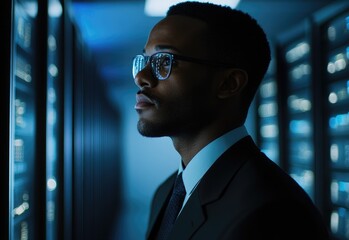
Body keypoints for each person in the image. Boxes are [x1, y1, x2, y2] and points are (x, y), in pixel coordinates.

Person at [132, 1, 330, 240]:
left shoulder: (273, 212)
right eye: (145, 60)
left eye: (165, 61)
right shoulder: (167, 191)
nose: (141, 77)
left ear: (228, 84)